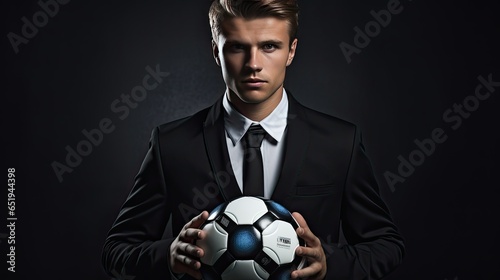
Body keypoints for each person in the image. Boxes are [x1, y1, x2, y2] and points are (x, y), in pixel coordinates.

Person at [102, 0, 405, 279]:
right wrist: (168, 256)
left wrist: (329, 263)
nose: (253, 64)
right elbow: (117, 250)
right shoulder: (173, 144)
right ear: (215, 51)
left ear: (292, 51)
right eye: (236, 47)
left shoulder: (339, 142)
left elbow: (386, 245)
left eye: (270, 46)